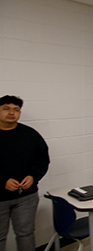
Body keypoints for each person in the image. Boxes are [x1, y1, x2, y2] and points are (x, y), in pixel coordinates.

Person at [0, 95, 49, 251]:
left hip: (26, 197)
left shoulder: (30, 135)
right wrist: (3, 181)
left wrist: (33, 176)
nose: (11, 113)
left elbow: (42, 160)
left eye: (16, 109)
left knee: (26, 234)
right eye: (6, 108)